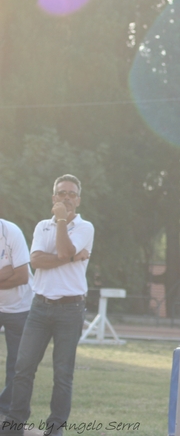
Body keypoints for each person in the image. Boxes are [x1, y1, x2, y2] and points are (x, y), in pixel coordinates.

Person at [1, 175, 94, 436]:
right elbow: (36, 261)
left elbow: (63, 251)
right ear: (54, 198)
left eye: (71, 194)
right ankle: (14, 423)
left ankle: (54, 430)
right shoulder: (42, 226)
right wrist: (72, 256)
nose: (66, 197)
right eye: (61, 193)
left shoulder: (86, 227)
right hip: (39, 307)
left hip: (70, 310)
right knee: (23, 368)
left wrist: (63, 221)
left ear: (78, 199)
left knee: (62, 375)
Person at [0, 219, 33, 416]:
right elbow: (12, 270)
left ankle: (7, 410)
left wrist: (11, 271)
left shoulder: (11, 231)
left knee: (18, 363)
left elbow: (21, 276)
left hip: (20, 306)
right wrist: (6, 271)